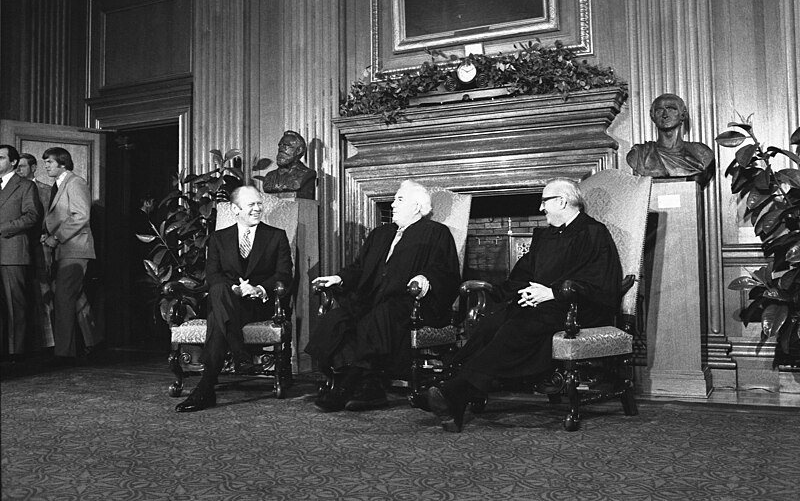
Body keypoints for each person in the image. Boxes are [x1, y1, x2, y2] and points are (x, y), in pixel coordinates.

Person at [426, 178, 622, 432]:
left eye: (544, 201)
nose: (541, 209)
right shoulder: (546, 236)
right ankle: (454, 390)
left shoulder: (593, 232)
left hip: (579, 307)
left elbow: (600, 281)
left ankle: (455, 391)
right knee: (493, 322)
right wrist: (503, 292)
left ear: (562, 201)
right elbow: (523, 274)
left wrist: (551, 293)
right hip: (543, 305)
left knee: (516, 327)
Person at [306, 179, 461, 412]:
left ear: (417, 207)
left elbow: (444, 271)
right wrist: (338, 278)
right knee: (338, 319)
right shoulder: (381, 233)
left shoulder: (436, 232)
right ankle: (369, 386)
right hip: (373, 299)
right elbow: (359, 268)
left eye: (399, 199)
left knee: (380, 317)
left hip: (412, 302)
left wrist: (423, 280)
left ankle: (346, 387)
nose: (392, 204)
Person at [175, 186, 293, 413]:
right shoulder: (219, 238)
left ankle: (206, 387)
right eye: (251, 205)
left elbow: (284, 275)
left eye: (259, 203)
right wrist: (235, 290)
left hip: (258, 306)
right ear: (235, 209)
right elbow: (212, 275)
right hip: (229, 301)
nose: (258, 208)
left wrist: (258, 289)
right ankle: (237, 356)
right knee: (220, 290)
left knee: (218, 309)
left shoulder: (276, 236)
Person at [41, 147, 102, 363]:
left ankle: (64, 353)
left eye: (49, 162)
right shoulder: (59, 185)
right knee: (75, 297)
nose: (46, 165)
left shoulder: (75, 182)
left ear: (63, 164)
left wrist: (55, 237)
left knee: (64, 297)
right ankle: (93, 343)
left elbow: (81, 215)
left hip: (74, 248)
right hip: (66, 249)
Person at [0, 144, 43, 359]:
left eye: (0, 158)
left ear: (13, 162)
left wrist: (3, 228)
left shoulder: (25, 186)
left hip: (12, 252)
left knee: (16, 306)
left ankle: (16, 355)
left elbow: (32, 216)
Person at [15, 153, 56, 352]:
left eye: (23, 166)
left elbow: (54, 216)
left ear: (33, 168)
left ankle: (47, 343)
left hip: (41, 248)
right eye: (17, 166)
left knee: (44, 292)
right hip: (18, 248)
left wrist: (47, 235)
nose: (19, 170)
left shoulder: (46, 191)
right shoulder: (12, 189)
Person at [626, 93, 714, 182]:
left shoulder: (702, 153)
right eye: (659, 110)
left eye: (671, 109)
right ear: (653, 117)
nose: (665, 115)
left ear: (682, 115)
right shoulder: (639, 154)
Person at [261, 130, 316, 199]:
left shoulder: (307, 174)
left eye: (286, 146)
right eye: (280, 145)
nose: (281, 149)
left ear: (298, 150)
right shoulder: (269, 176)